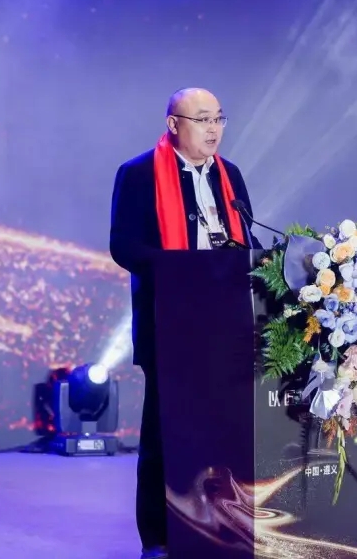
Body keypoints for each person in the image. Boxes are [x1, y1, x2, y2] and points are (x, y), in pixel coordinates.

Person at [109, 88, 260, 559]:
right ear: (174, 124)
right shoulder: (138, 173)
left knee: (228, 432)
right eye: (202, 119)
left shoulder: (229, 175)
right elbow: (124, 247)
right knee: (165, 434)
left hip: (228, 327)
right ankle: (158, 538)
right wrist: (182, 269)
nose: (214, 130)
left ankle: (228, 529)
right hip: (169, 323)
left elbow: (247, 239)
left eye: (219, 119)